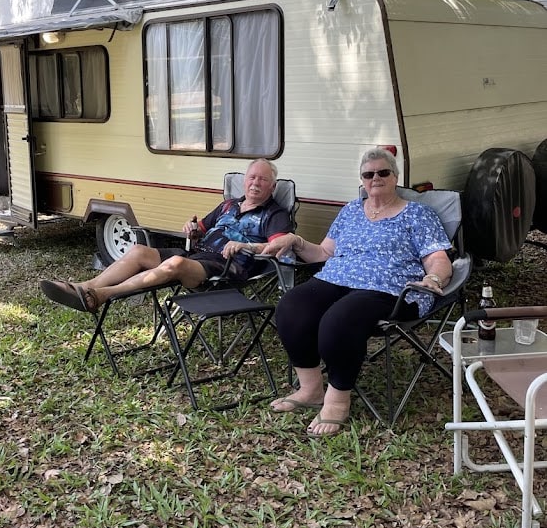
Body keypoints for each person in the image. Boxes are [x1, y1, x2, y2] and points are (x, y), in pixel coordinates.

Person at [263, 147, 452, 438]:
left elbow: (437, 258)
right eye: (368, 174)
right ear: (362, 180)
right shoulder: (351, 210)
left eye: (383, 172)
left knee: (339, 320)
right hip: (338, 277)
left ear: (395, 176)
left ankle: (337, 400)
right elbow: (324, 252)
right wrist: (297, 240)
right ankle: (311, 389)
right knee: (292, 306)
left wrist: (434, 277)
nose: (375, 178)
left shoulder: (417, 213)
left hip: (390, 286)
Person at [39, 159, 292, 313]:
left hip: (228, 268)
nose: (255, 183)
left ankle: (103, 295)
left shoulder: (275, 214)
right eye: (251, 177)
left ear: (272, 186)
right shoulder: (228, 205)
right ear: (244, 181)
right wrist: (191, 229)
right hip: (197, 255)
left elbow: (278, 247)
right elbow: (200, 228)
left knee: (176, 264)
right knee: (138, 251)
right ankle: (84, 288)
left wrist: (244, 246)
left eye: (262, 179)